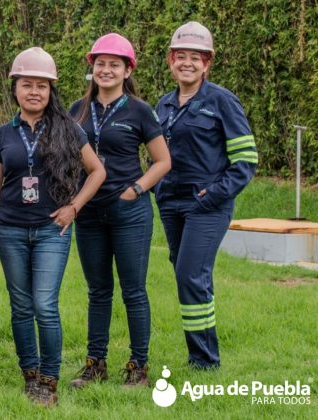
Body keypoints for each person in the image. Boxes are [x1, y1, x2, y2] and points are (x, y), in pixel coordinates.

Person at [0, 47, 106, 406]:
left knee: (44, 304)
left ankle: (49, 378)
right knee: (21, 305)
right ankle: (30, 373)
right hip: (9, 230)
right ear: (15, 88)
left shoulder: (68, 129)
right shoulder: (1, 135)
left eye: (42, 85)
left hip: (52, 229)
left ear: (52, 90)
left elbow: (98, 171)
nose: (34, 91)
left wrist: (74, 206)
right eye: (27, 84)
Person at [68, 33, 171, 388]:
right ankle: (95, 364)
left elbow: (162, 161)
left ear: (128, 70)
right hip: (89, 214)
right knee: (97, 290)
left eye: (115, 64)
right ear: (91, 67)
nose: (106, 70)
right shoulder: (76, 111)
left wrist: (136, 189)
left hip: (129, 212)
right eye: (100, 64)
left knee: (133, 290)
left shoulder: (140, 111)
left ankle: (138, 367)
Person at [155, 22, 257, 370]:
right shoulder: (164, 104)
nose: (187, 63)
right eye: (180, 56)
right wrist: (156, 189)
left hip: (207, 205)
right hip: (171, 203)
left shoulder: (222, 101)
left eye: (195, 58)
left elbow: (246, 159)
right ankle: (202, 354)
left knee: (189, 276)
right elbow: (157, 156)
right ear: (171, 60)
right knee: (193, 277)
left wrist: (214, 194)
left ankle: (204, 361)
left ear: (207, 63)